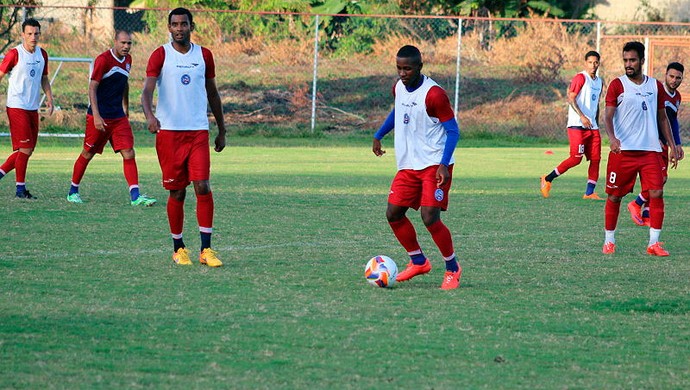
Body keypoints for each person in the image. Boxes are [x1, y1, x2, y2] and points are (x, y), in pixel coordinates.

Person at [141, 7, 226, 267]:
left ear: (192, 26)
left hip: (198, 131)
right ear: (169, 28)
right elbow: (146, 91)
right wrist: (150, 117)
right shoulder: (160, 55)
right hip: (169, 134)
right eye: (175, 24)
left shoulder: (204, 55)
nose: (179, 28)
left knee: (202, 185)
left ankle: (206, 249)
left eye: (184, 24)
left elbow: (213, 94)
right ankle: (179, 248)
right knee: (177, 192)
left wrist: (222, 129)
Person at [372, 45, 462, 290]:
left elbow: (453, 131)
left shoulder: (434, 95)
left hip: (434, 165)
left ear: (420, 67)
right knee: (393, 213)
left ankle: (452, 268)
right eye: (399, 68)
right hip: (408, 165)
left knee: (429, 217)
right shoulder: (398, 87)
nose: (403, 73)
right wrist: (379, 134)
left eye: (408, 68)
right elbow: (398, 111)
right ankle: (418, 261)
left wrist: (444, 164)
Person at [602, 41, 679, 256]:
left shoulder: (655, 87)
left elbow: (663, 118)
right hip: (623, 151)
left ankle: (653, 243)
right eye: (625, 60)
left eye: (632, 60)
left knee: (657, 192)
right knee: (615, 197)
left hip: (650, 151)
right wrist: (612, 138)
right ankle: (609, 240)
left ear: (642, 61)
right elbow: (607, 115)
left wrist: (672, 146)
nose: (628, 64)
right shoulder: (617, 85)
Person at [66, 30, 156, 206]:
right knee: (88, 152)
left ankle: (135, 196)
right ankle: (73, 191)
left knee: (129, 152)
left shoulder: (128, 60)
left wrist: (126, 107)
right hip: (99, 116)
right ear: (114, 41)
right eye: (123, 43)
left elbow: (124, 84)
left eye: (129, 43)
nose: (126, 46)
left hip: (118, 117)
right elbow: (92, 88)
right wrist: (97, 116)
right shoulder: (103, 60)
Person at [0, 18, 53, 199]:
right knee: (25, 149)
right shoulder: (14, 54)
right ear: (22, 34)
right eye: (29, 33)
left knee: (28, 150)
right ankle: (20, 190)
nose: (33, 37)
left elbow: (44, 78)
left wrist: (50, 98)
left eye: (36, 33)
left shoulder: (42, 54)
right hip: (16, 106)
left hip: (32, 107)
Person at [627, 62, 685, 226]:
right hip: (650, 143)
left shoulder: (677, 97)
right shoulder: (657, 91)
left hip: (663, 144)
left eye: (678, 78)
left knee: (661, 180)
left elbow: (672, 120)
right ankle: (636, 204)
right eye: (671, 76)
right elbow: (649, 115)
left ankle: (646, 214)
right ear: (665, 75)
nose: (674, 80)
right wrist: (654, 138)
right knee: (659, 179)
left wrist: (677, 144)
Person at [541, 51, 604, 200]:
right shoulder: (580, 78)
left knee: (596, 159)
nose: (593, 65)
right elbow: (571, 99)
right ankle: (547, 179)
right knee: (576, 158)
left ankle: (589, 193)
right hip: (577, 125)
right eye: (590, 62)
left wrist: (596, 122)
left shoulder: (599, 81)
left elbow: (596, 105)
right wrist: (582, 116)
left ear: (599, 63)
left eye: (596, 62)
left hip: (592, 127)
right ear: (585, 63)